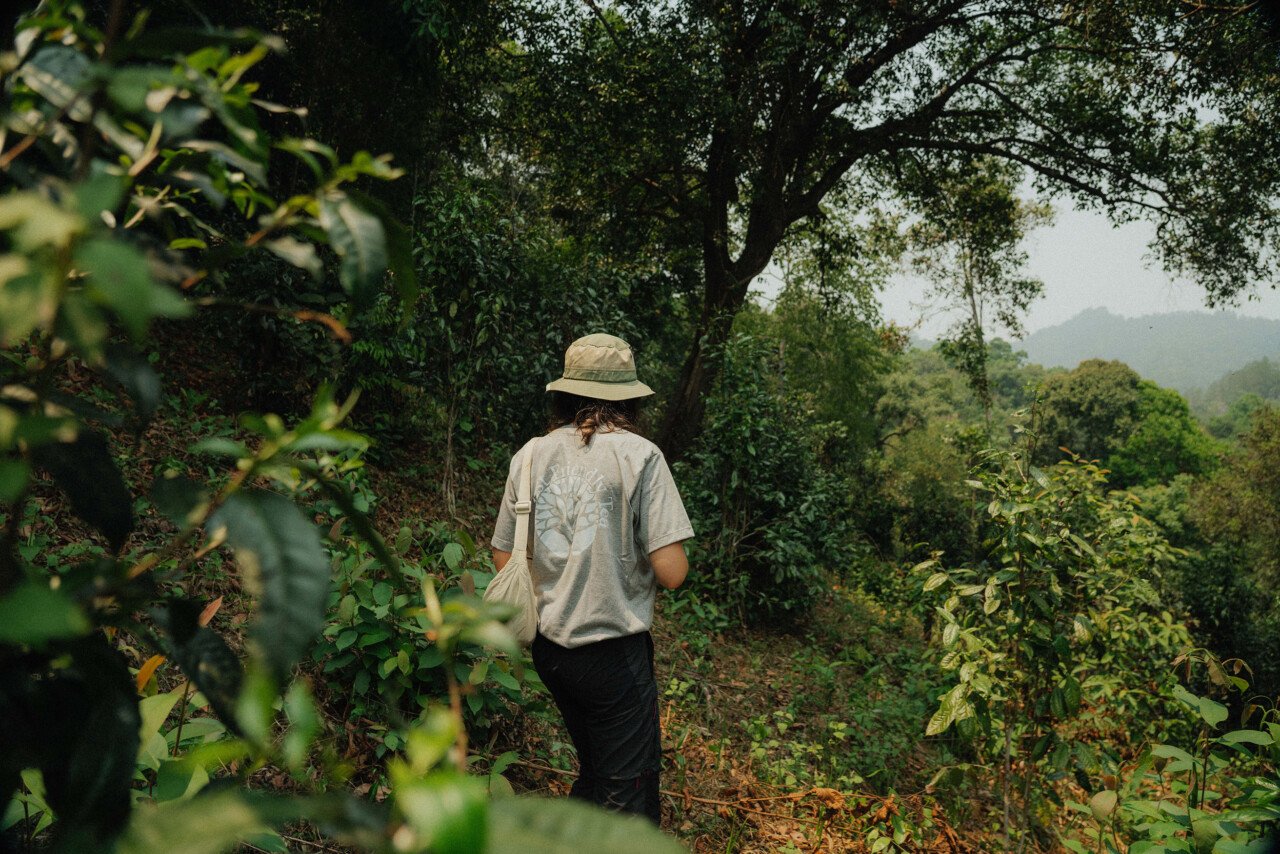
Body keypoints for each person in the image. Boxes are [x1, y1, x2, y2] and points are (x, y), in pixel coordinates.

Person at [490, 333, 693, 825]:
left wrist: (559, 581)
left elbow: (502, 554)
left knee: (597, 771)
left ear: (563, 393)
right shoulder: (640, 456)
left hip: (551, 651)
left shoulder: (530, 454)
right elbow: (672, 573)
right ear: (627, 398)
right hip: (612, 651)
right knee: (629, 791)